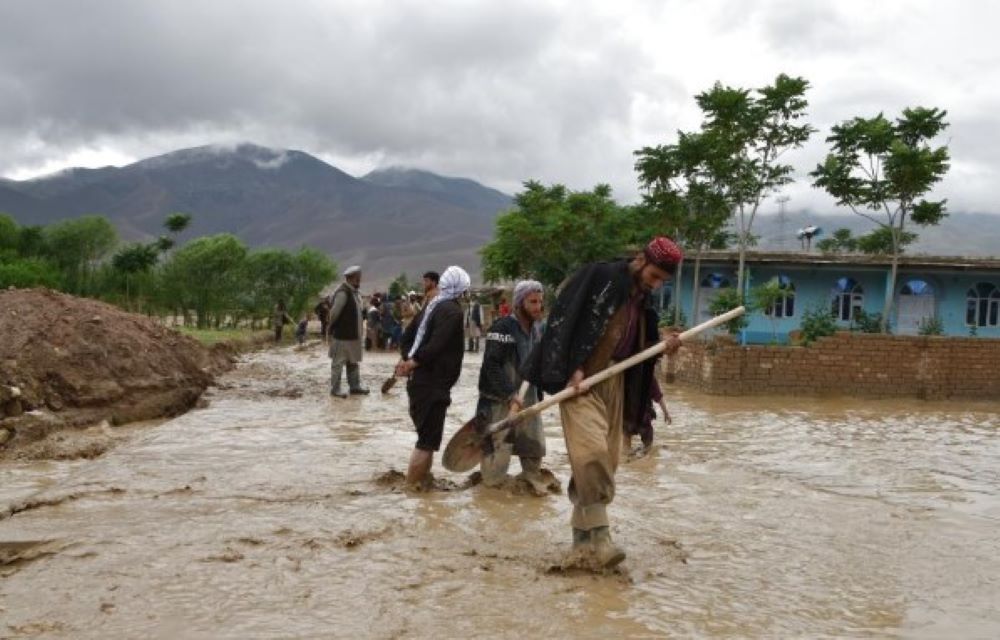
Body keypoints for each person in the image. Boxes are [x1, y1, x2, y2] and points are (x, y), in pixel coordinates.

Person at [521, 237, 683, 569]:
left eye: (662, 282)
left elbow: (640, 348)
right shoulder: (600, 277)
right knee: (590, 454)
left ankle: (581, 545)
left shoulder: (644, 303)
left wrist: (663, 344)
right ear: (640, 260)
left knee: (606, 462)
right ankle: (602, 537)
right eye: (654, 277)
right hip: (580, 383)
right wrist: (573, 366)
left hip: (617, 384)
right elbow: (564, 319)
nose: (655, 285)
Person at [396, 266, 470, 490]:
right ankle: (412, 489)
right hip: (433, 384)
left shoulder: (431, 306)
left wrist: (409, 360)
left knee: (426, 439)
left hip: (418, 383)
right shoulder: (452, 312)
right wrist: (414, 362)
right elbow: (437, 343)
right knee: (426, 443)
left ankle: (422, 486)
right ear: (460, 290)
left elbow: (407, 337)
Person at [476, 279, 551, 494]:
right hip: (499, 399)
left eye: (540, 302)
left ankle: (531, 484)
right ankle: (491, 491)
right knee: (496, 453)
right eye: (533, 302)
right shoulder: (502, 328)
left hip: (528, 397)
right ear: (519, 304)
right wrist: (509, 394)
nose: (538, 307)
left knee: (533, 448)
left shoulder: (537, 328)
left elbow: (539, 362)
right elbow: (491, 365)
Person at [327, 265, 369, 398]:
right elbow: (333, 314)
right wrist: (330, 330)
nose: (359, 281)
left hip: (353, 336)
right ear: (350, 278)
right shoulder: (343, 292)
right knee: (338, 363)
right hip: (342, 335)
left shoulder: (354, 293)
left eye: (359, 278)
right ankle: (335, 389)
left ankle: (355, 387)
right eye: (357, 279)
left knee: (353, 362)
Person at [625, 377, 672, 459]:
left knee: (626, 448)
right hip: (644, 418)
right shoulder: (650, 378)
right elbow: (659, 397)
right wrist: (666, 413)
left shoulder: (626, 377)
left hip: (628, 417)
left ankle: (628, 463)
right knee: (648, 448)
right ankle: (644, 462)